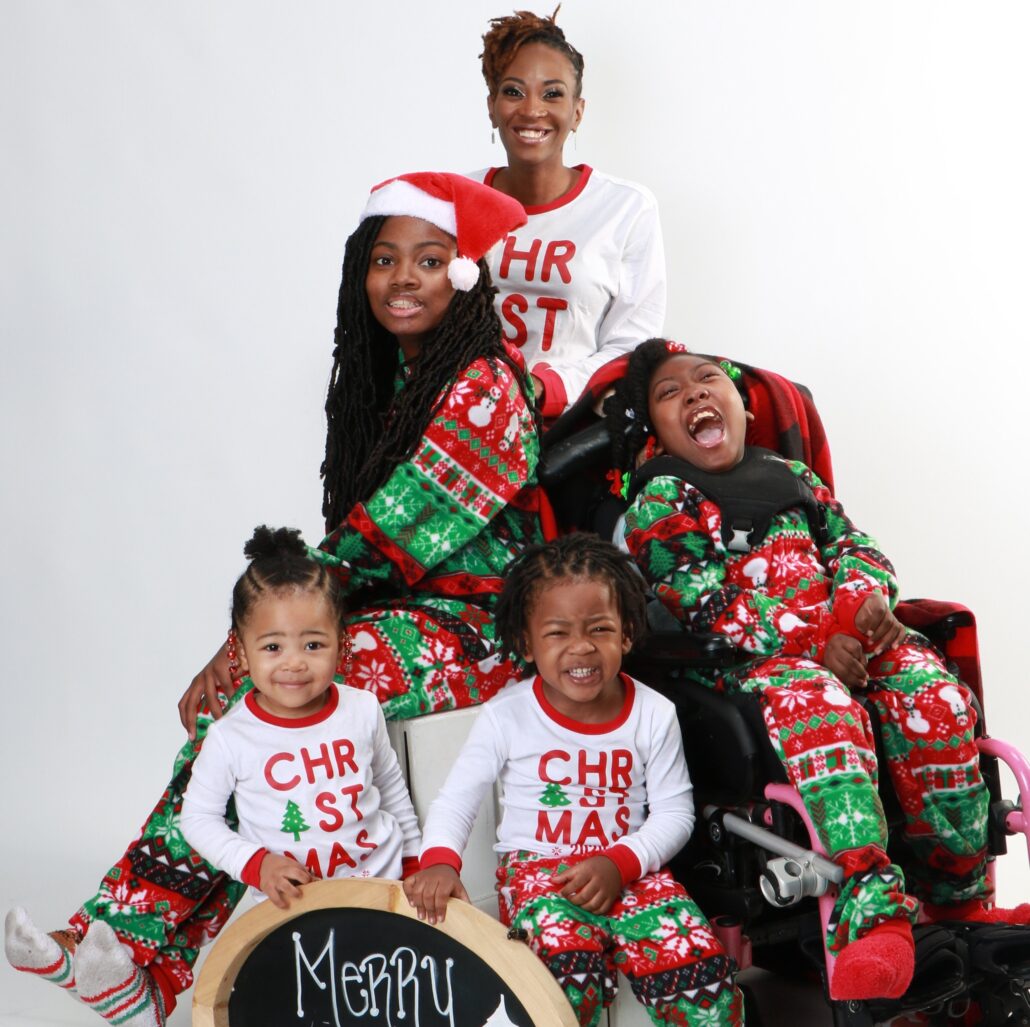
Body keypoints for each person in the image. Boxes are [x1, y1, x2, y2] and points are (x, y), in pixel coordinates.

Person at [5, 173, 544, 1026]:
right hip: (394, 610)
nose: (402, 277)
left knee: (277, 684)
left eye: (429, 260)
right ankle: (140, 969)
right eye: (383, 259)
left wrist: (243, 643)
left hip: (480, 625)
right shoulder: (386, 381)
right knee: (264, 714)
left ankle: (126, 943)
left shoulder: (486, 388)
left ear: (464, 276)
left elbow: (383, 541)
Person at [603, 338, 1030, 1000]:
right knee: (819, 702)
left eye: (709, 379)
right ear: (652, 432)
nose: (694, 392)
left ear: (743, 407)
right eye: (669, 392)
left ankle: (957, 900)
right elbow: (697, 600)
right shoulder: (664, 495)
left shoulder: (793, 476)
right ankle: (871, 911)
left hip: (845, 636)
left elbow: (857, 546)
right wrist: (814, 643)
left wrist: (862, 608)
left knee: (933, 695)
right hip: (753, 662)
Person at [404, 533, 744, 1027]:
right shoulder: (508, 715)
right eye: (558, 633)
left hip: (631, 870)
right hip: (541, 873)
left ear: (627, 634)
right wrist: (439, 861)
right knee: (561, 976)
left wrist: (619, 863)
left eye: (600, 629)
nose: (581, 647)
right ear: (526, 642)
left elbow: (675, 813)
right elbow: (458, 799)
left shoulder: (653, 713)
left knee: (702, 975)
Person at [179, 525, 422, 905]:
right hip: (293, 907)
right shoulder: (232, 737)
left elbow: (391, 787)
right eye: (273, 647)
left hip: (382, 889)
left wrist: (413, 861)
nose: (294, 663)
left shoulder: (361, 708)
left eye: (313, 644)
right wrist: (258, 865)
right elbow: (196, 819)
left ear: (341, 645)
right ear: (241, 654)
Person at [471, 9, 666, 420]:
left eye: (553, 94)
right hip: (466, 423)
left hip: (575, 431)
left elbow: (632, 345)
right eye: (513, 91)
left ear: (577, 112)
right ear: (492, 107)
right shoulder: (456, 199)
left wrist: (546, 387)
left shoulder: (626, 208)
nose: (532, 110)